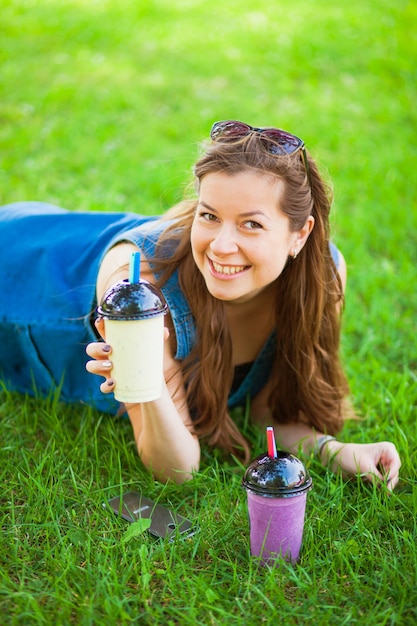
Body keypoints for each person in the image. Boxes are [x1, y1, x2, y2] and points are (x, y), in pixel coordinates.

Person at [0, 121, 401, 488]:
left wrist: (338, 452)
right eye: (209, 215)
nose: (221, 246)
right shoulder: (138, 290)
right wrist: (146, 382)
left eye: (251, 224)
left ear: (300, 234)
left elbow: (269, 413)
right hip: (17, 270)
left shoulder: (322, 275)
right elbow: (177, 469)